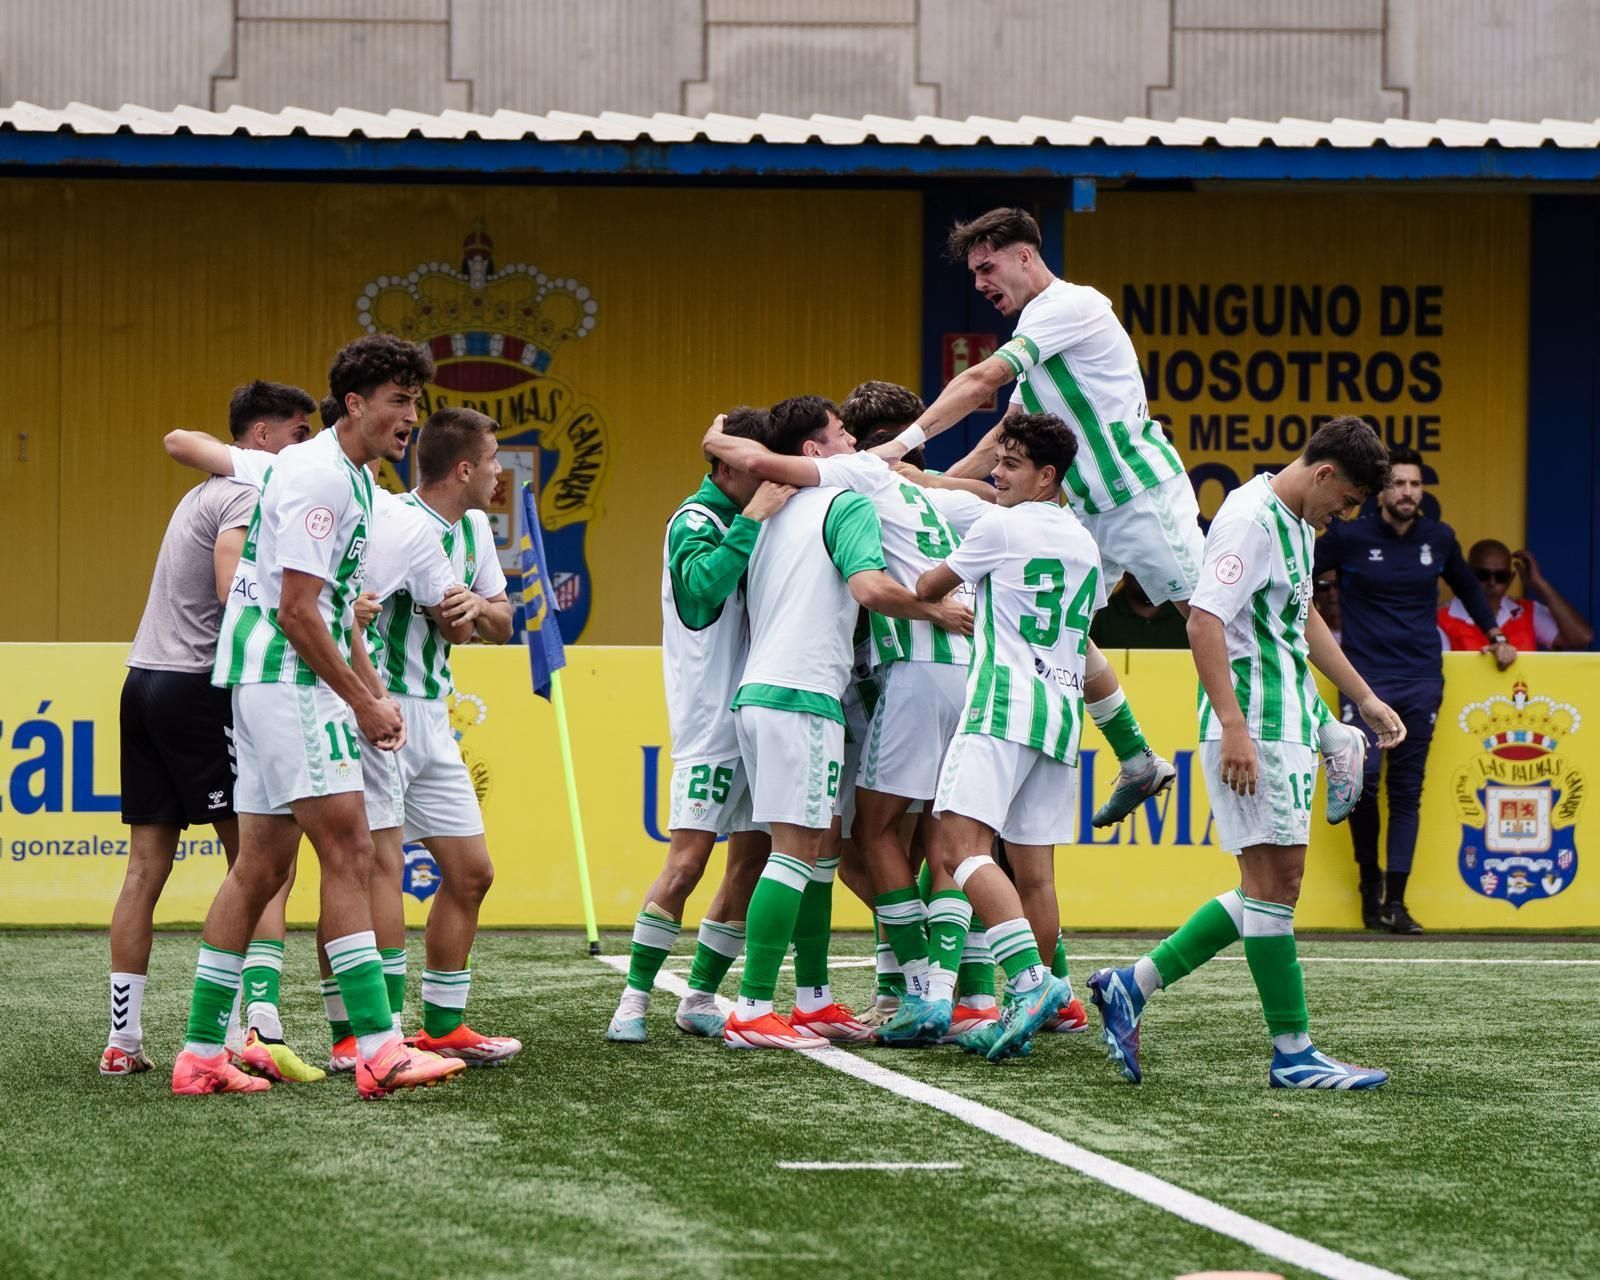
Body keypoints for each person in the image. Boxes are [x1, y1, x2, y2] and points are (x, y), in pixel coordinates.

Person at [170, 334, 466, 1098]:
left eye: (416, 402)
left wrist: (373, 688)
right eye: (399, 401)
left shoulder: (354, 480)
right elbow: (298, 613)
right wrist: (362, 701)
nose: (411, 418)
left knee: (262, 865)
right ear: (356, 403)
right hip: (287, 679)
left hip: (275, 679)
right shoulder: (321, 476)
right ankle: (377, 1047)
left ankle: (201, 1054)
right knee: (351, 850)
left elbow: (334, 614)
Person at [1090, 417, 1404, 1091]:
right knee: (1273, 891)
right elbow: (1204, 619)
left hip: (1286, 721)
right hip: (1256, 728)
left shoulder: (1296, 523)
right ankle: (1292, 1053)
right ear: (1323, 474)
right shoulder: (1251, 519)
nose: (1343, 516)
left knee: (1269, 890)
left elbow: (1300, 618)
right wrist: (1232, 726)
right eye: (1345, 501)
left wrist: (1362, 698)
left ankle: (1131, 985)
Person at [874, 206, 1196, 825]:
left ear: (1026, 256)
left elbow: (983, 381)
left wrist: (899, 444)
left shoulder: (1069, 307)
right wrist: (933, 478)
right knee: (1067, 628)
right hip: (1093, 513)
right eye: (972, 273)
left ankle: (1327, 735)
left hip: (1144, 498)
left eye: (986, 267)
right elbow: (1005, 436)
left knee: (1215, 626)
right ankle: (1137, 758)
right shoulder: (1041, 336)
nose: (979, 284)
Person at [700, 381, 985, 1048]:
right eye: (843, 434)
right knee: (797, 855)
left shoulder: (771, 512)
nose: (856, 444)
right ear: (815, 448)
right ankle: (752, 1010)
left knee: (812, 850)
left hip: (762, 691)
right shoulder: (845, 501)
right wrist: (934, 609)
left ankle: (813, 999)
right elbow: (870, 588)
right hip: (803, 695)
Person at [102, 382, 316, 1079]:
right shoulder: (249, 496)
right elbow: (232, 589)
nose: (306, 443)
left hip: (143, 681)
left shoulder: (203, 492)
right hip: (195, 685)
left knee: (144, 869)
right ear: (259, 436)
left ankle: (123, 1044)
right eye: (297, 430)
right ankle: (250, 1031)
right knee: (259, 865)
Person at [910, 412, 1093, 1063]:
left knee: (958, 849)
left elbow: (928, 588)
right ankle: (1037, 1001)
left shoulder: (1001, 525)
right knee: (1036, 877)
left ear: (1047, 476)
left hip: (1002, 706)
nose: (996, 472)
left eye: (1011, 464)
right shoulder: (1083, 540)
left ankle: (1029, 983)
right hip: (1061, 714)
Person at [606, 407, 790, 1044]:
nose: (767, 475)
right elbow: (704, 590)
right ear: (724, 465)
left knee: (753, 860)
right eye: (754, 463)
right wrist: (753, 519)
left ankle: (701, 996)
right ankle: (632, 1000)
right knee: (686, 862)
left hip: (762, 713)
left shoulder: (756, 517)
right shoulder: (695, 519)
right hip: (711, 721)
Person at [353, 406, 520, 1066]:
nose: (502, 472)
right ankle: (382, 1036)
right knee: (380, 871)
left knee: (472, 873)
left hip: (433, 716)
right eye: (496, 460)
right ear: (464, 468)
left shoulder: (475, 528)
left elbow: (503, 622)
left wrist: (479, 607)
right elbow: (347, 611)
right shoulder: (392, 523)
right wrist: (366, 697)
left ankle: (443, 1027)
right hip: (380, 712)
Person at [1313, 444, 1515, 933]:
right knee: (1364, 782)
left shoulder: (1438, 537)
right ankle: (1369, 885)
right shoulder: (1350, 535)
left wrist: (1496, 635)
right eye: (1399, 483)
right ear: (1382, 489)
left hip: (1422, 681)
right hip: (1364, 682)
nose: (1407, 492)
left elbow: (1467, 585)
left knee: (1406, 790)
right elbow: (1299, 574)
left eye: (1415, 484)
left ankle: (1396, 904)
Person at [1438, 540, 1593, 653]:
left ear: (1510, 579)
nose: (1492, 582)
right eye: (1483, 575)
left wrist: (1539, 584)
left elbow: (1581, 637)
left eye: (1501, 576)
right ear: (1468, 575)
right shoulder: (1442, 618)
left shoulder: (1526, 612)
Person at [1089, 574, 1190, 650]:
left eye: (1152, 571)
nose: (1147, 579)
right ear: (1123, 572)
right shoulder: (1098, 614)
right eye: (1139, 570)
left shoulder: (1187, 615)